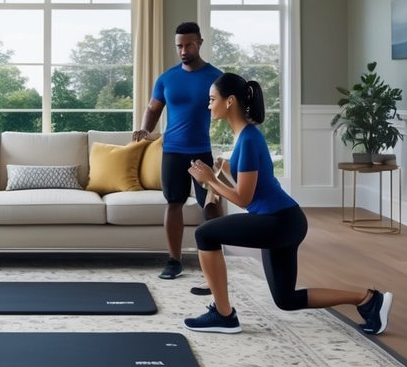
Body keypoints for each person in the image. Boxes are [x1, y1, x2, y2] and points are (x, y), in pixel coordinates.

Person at [183, 72, 393, 335]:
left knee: (205, 234)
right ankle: (368, 299)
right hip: (283, 220)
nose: (208, 105)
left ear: (230, 101)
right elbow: (252, 190)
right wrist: (222, 171)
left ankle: (224, 315)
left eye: (212, 99)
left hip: (279, 221)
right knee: (286, 299)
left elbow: (243, 199)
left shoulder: (248, 139)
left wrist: (210, 180)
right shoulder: (246, 136)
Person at [133, 22, 223, 279]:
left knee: (210, 203)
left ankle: (214, 256)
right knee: (174, 203)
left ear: (200, 43)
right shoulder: (167, 78)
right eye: (179, 46)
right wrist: (145, 129)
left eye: (189, 45)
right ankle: (174, 261)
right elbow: (153, 108)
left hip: (201, 151)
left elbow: (230, 108)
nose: (183, 51)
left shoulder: (216, 77)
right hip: (172, 151)